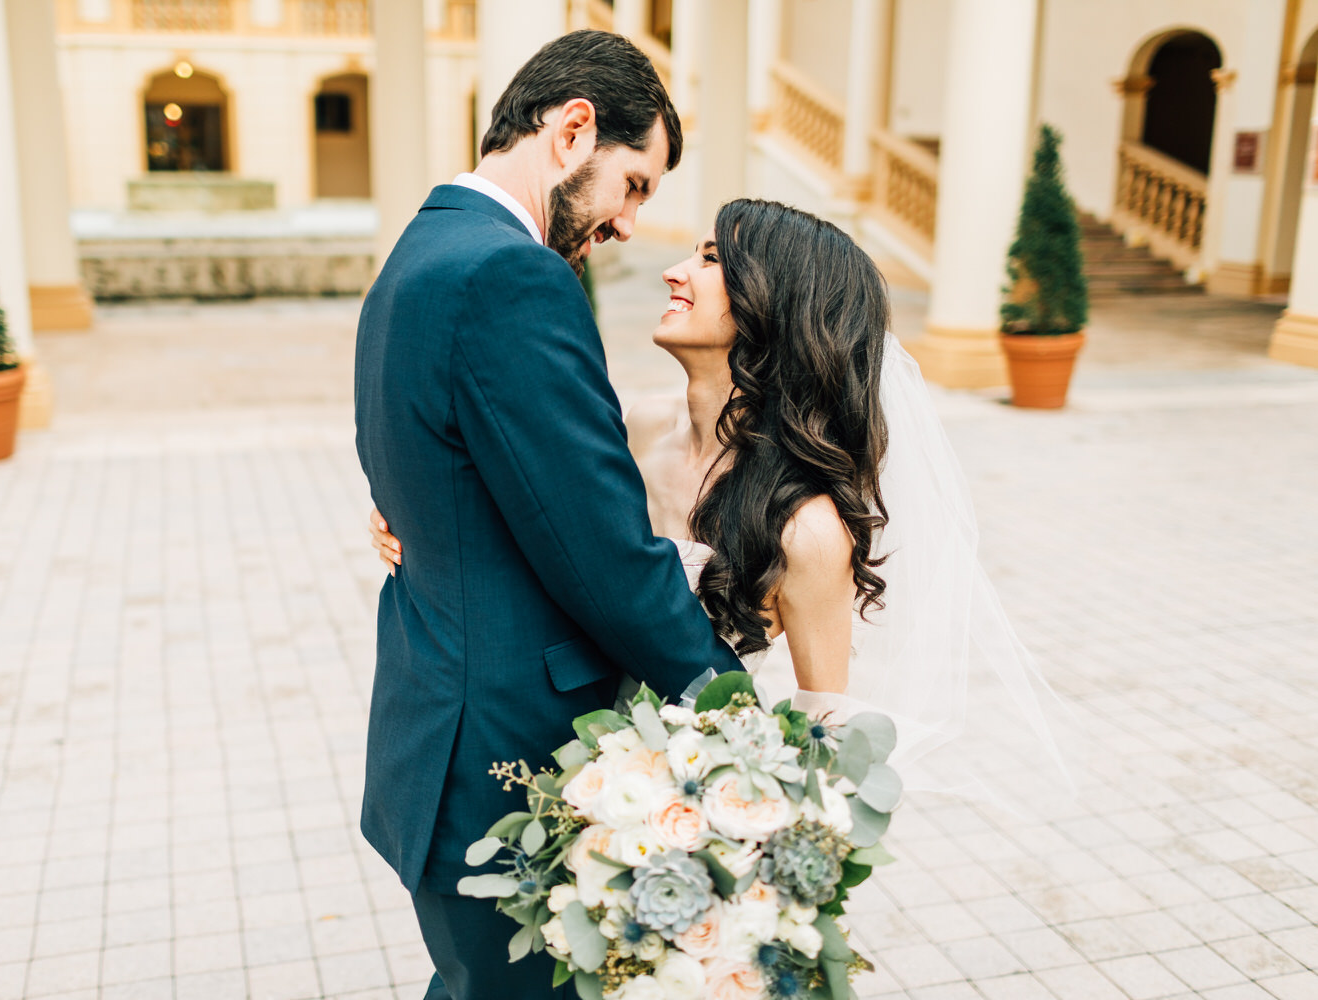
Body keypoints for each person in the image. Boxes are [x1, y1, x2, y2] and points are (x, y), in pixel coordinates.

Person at [372, 198, 1076, 807]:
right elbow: (541, 517)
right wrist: (413, 514)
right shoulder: (637, 426)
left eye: (710, 261)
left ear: (775, 306)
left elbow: (823, 725)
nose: (674, 271)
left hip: (688, 804)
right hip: (545, 751)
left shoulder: (808, 529)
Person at [352, 30, 743, 1000]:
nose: (626, 223)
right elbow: (601, 545)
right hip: (503, 753)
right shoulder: (514, 276)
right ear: (574, 130)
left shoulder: (420, 247)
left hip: (437, 727)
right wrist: (739, 716)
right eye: (636, 185)